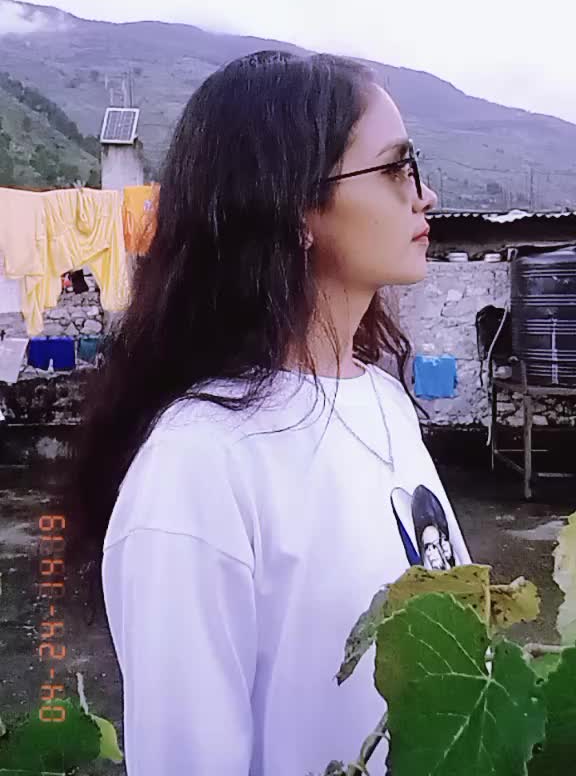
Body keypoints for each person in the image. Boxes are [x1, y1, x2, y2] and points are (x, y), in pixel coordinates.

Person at [65, 50, 470, 775]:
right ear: (295, 207)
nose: (426, 195)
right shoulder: (200, 464)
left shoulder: (383, 400)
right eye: (395, 169)